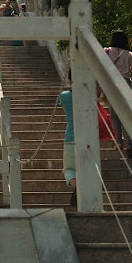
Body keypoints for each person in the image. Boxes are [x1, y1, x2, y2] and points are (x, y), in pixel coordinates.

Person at [104, 30, 132, 158]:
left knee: (114, 114)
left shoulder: (106, 51)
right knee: (127, 115)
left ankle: (118, 141)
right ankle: (129, 144)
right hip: (125, 83)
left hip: (112, 83)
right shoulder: (129, 54)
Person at [60, 70, 77, 207]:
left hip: (70, 137)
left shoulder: (64, 96)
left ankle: (77, 185)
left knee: (69, 170)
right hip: (88, 139)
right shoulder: (90, 96)